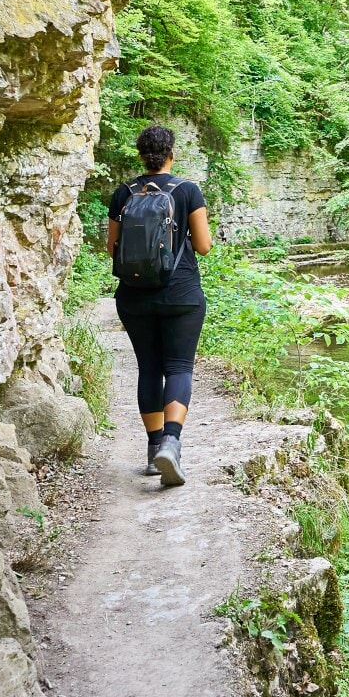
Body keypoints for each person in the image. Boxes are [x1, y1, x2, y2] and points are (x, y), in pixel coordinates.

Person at [106, 125, 211, 487]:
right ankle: (171, 441)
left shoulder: (123, 193)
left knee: (149, 369)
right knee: (179, 367)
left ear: (140, 155)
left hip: (134, 297)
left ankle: (153, 453)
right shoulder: (187, 190)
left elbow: (112, 248)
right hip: (180, 293)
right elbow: (203, 245)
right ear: (172, 154)